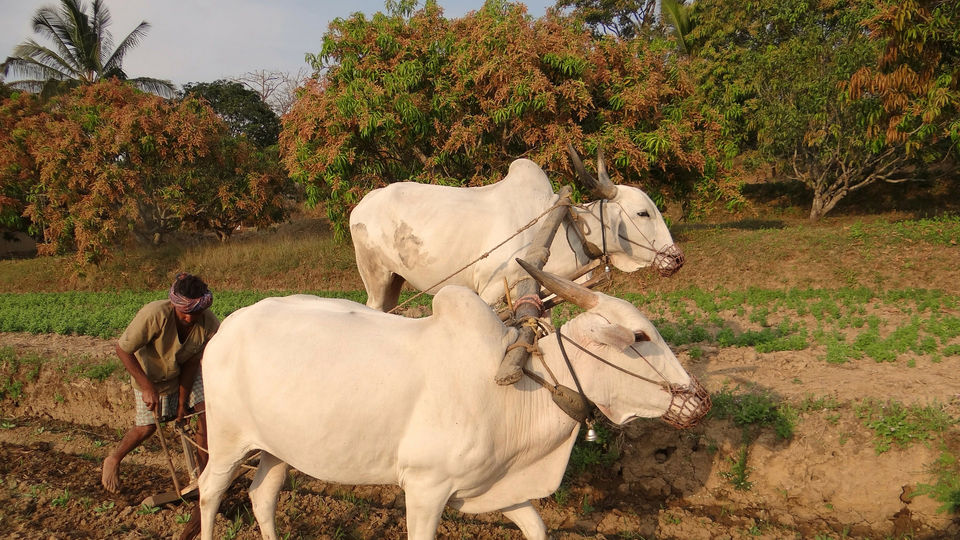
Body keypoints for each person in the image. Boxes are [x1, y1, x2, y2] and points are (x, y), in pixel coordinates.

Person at [101, 272, 220, 494]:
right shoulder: (154, 314)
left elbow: (193, 364)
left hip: (185, 372)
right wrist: (146, 387)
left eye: (196, 313)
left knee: (204, 414)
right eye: (185, 313)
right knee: (146, 428)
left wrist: (183, 403)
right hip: (150, 377)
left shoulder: (209, 323)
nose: (189, 318)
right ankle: (114, 459)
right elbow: (123, 350)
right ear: (175, 304)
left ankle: (205, 477)